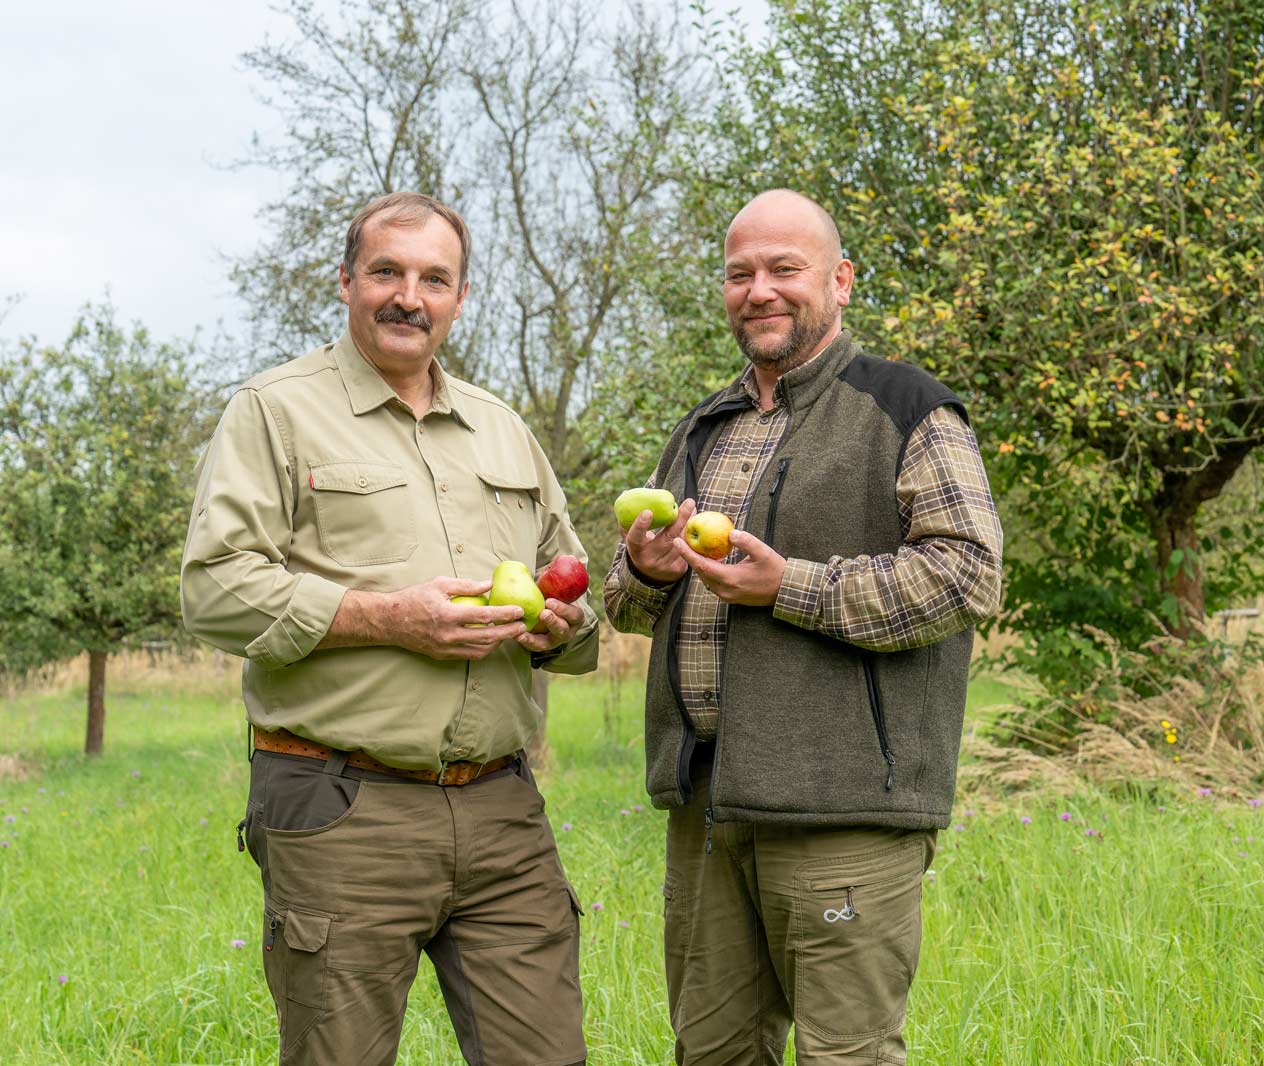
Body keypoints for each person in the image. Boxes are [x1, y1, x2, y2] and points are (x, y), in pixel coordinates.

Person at [182, 191, 597, 1066]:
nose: (410, 295)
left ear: (460, 296)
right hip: (342, 807)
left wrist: (558, 627)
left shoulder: (505, 430)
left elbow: (580, 614)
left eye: (433, 278)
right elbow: (215, 589)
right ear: (345, 281)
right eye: (387, 272)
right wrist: (386, 618)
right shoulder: (275, 410)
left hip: (502, 810)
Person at [604, 189, 1003, 1065]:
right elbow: (625, 610)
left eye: (785, 269)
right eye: (740, 273)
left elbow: (968, 574)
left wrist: (794, 587)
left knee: (845, 1056)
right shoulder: (704, 427)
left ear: (841, 280)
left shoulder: (909, 409)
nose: (760, 290)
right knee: (712, 1054)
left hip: (843, 805)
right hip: (709, 806)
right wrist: (644, 571)